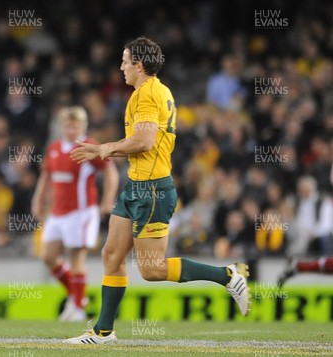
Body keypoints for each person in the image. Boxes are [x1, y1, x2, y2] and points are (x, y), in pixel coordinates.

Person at [65, 37, 250, 344]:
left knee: (152, 269)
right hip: (136, 185)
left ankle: (228, 276)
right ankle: (103, 331)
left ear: (139, 64)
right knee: (112, 254)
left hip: (153, 190)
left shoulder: (148, 94)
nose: (121, 66)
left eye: (125, 61)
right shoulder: (150, 92)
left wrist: (105, 148)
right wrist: (107, 149)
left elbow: (146, 141)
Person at [31, 106, 118, 321]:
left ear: (83, 126)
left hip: (82, 212)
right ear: (62, 126)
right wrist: (38, 198)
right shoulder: (54, 148)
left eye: (76, 125)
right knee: (48, 256)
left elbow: (110, 171)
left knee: (75, 257)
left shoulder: (89, 147)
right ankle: (77, 296)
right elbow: (47, 176)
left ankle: (77, 309)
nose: (71, 129)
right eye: (68, 125)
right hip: (58, 212)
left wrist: (107, 200)